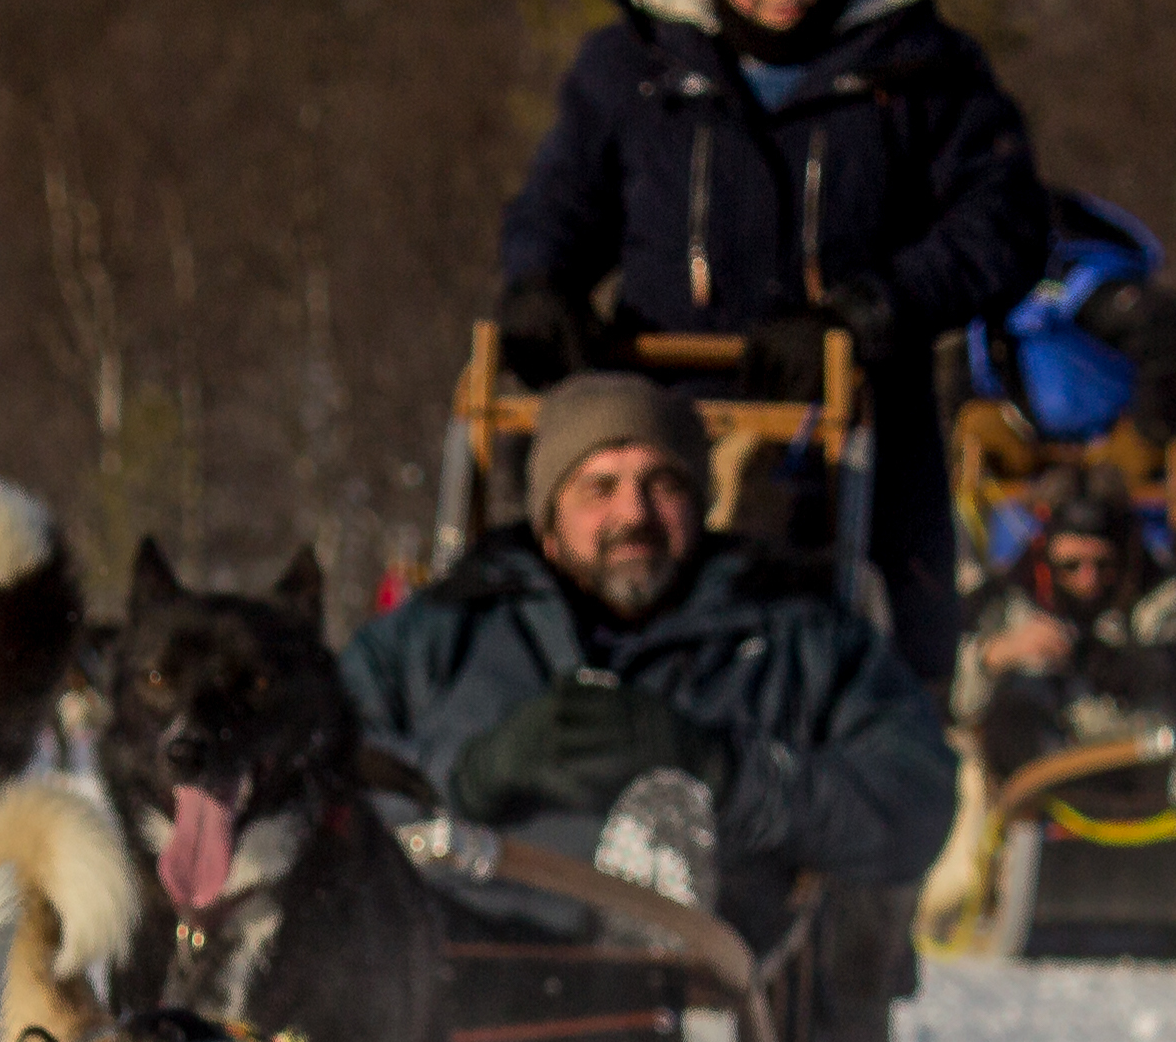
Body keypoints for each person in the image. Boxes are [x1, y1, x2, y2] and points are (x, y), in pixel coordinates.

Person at [494, 0, 1052, 675]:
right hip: (661, 398)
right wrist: (539, 284)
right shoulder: (633, 67)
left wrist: (868, 311)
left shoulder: (919, 64)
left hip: (857, 405)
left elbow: (1004, 222)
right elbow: (561, 202)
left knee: (895, 654)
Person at [343, 374, 955, 954]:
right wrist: (465, 776)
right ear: (549, 522)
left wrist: (724, 772)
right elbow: (314, 770)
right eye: (599, 488)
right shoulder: (445, 630)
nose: (633, 515)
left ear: (700, 506)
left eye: (664, 485)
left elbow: (916, 803)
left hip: (716, 1001)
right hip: (467, 975)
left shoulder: (793, 636)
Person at [921, 466, 1176, 921]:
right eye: (1070, 565)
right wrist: (995, 655)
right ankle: (950, 901)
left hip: (1152, 757)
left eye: (1103, 564)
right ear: (1045, 555)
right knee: (974, 748)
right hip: (1038, 769)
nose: (1087, 579)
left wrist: (1161, 665)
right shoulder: (1004, 600)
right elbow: (940, 697)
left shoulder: (1164, 598)